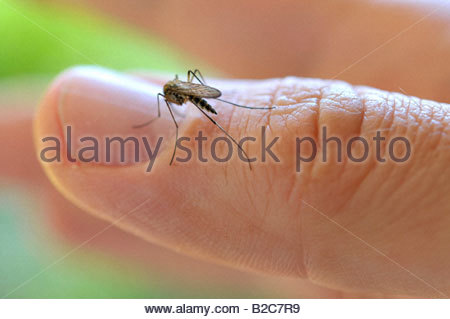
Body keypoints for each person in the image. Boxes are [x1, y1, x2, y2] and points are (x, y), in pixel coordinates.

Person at [3, 0, 450, 297]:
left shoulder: (179, 92)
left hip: (203, 95)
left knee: (193, 103)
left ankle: (222, 116)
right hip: (194, 94)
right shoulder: (173, 92)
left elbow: (182, 93)